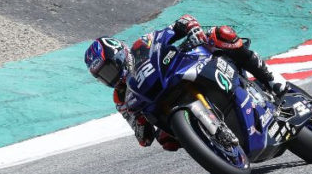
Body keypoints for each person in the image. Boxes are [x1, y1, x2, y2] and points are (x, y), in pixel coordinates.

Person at [85, 14, 286, 150]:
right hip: (164, 106)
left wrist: (192, 30)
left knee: (222, 34)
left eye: (109, 69)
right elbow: (144, 139)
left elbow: (180, 24)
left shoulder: (142, 45)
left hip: (185, 69)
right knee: (166, 141)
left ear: (120, 55)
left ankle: (270, 78)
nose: (109, 78)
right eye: (103, 76)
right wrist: (138, 120)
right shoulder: (120, 97)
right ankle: (212, 144)